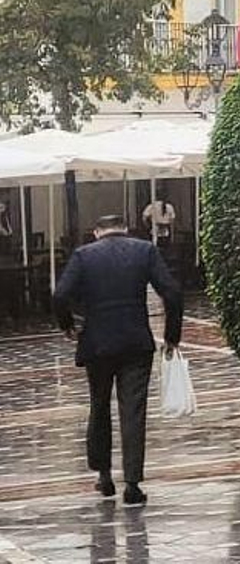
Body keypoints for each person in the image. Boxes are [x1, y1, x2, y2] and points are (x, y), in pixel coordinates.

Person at [52, 214, 183, 507]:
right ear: (125, 229)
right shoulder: (144, 250)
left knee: (99, 405)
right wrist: (172, 335)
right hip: (136, 341)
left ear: (97, 232)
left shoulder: (83, 255)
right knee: (133, 410)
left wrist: (67, 325)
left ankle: (104, 475)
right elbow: (172, 292)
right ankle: (133, 483)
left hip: (97, 342)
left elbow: (61, 294)